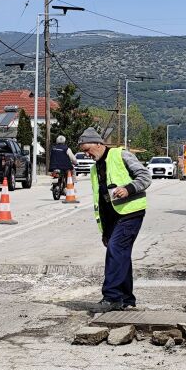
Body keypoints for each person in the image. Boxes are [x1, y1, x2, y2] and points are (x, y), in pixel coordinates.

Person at [78, 127, 151, 312]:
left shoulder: (121, 155)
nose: (86, 154)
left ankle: (111, 297)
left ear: (98, 144)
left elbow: (145, 176)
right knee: (121, 254)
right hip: (112, 218)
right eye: (83, 152)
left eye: (88, 150)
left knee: (116, 250)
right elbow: (101, 201)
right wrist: (105, 231)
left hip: (130, 213)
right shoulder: (95, 169)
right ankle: (127, 299)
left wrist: (128, 188)